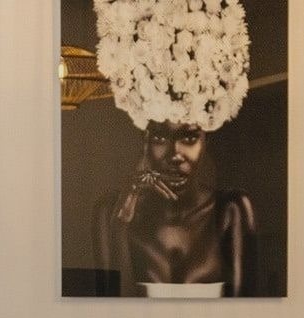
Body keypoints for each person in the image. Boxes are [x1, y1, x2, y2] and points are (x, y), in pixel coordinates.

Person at [93, 120, 258, 297]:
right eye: (159, 137)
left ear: (205, 141)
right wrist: (122, 220)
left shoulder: (231, 210)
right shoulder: (110, 209)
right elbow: (111, 308)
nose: (174, 155)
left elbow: (245, 311)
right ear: (145, 142)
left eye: (189, 138)